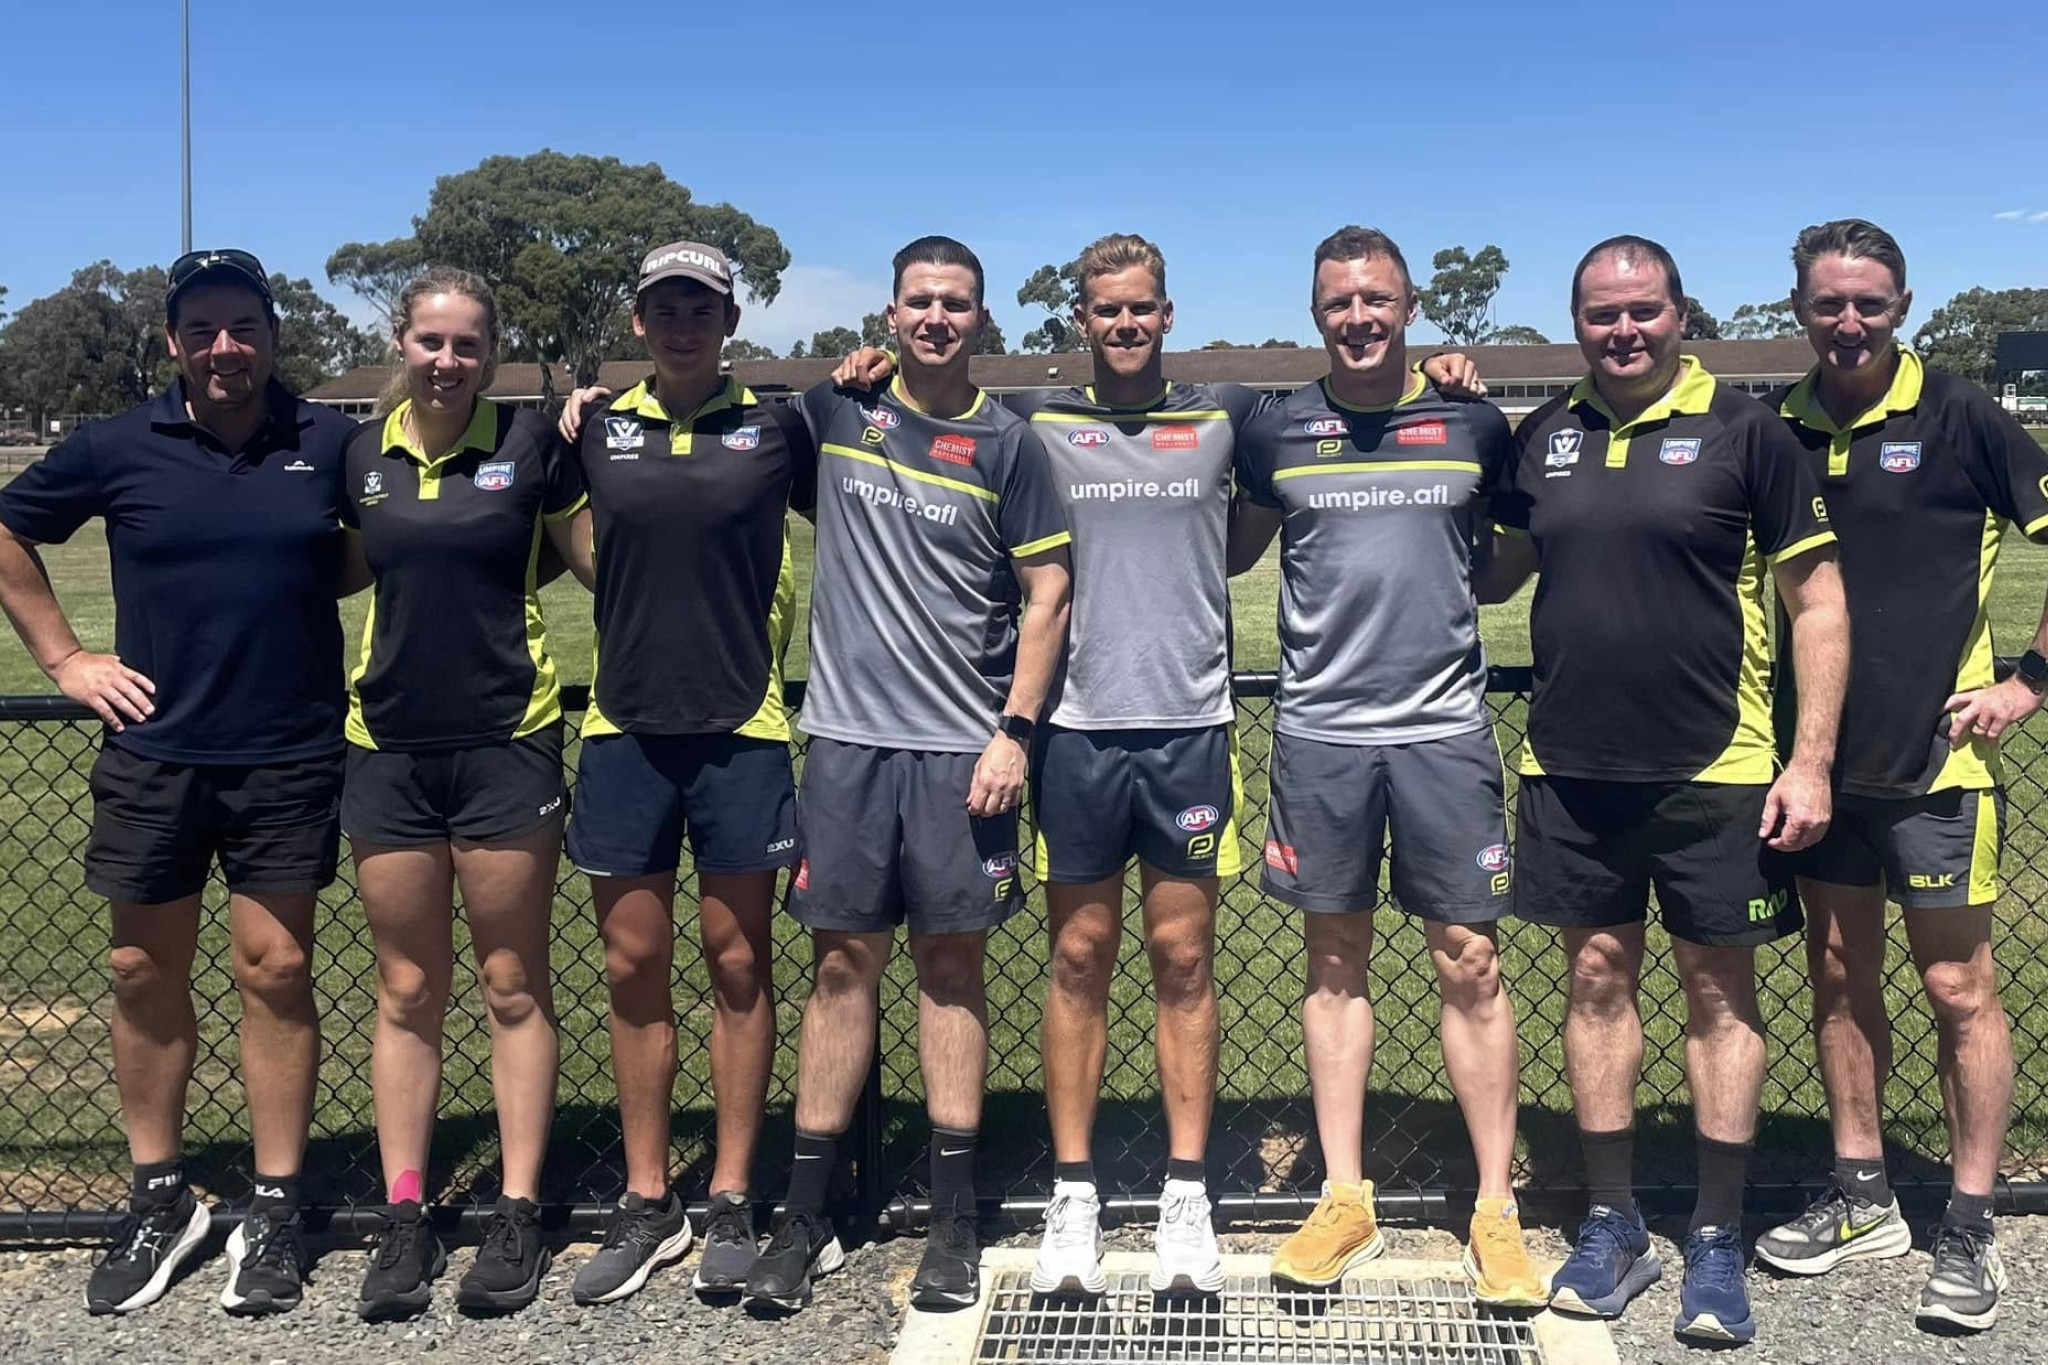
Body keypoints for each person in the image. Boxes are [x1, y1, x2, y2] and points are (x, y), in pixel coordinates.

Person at [828, 235, 1476, 1297]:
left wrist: (1444, 368)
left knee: (1182, 961)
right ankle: (1074, 1191)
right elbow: (932, 411)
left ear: (1165, 315)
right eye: (1104, 312)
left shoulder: (1229, 414)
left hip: (1186, 730)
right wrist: (866, 367)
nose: (1123, 326)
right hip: (1073, 733)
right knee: (1077, 958)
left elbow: (1343, 416)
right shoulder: (1034, 423)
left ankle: (1185, 1189)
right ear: (1078, 322)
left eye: (1140, 311)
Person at [1478, 236, 1849, 1345]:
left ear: (1679, 314)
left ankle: (1718, 1236)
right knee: (1593, 985)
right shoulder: (1540, 435)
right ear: (1575, 323)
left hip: (1717, 770)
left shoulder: (1750, 432)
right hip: (1569, 768)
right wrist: (1443, 432)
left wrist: (1809, 759)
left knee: (1717, 998)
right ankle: (1612, 1222)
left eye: (1641, 310)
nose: (1622, 330)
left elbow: (1817, 606)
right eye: (1600, 314)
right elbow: (1492, 566)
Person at [0, 249, 356, 1315]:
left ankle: (277, 1199)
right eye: (201, 329)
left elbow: (388, 534)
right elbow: (7, 528)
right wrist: (65, 659)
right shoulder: (115, 445)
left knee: (276, 969)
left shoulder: (331, 441)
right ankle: (161, 1194)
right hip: (155, 752)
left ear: (273, 335)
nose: (224, 348)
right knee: (138, 971)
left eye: (242, 326)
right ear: (172, 342)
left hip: (289, 751)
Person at [741, 235, 1073, 1314]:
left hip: (958, 753)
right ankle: (801, 1221)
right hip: (841, 743)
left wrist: (1014, 732)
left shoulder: (1011, 447)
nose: (936, 318)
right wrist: (571, 416)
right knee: (840, 972)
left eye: (956, 304)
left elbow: (1048, 595)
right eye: (919, 302)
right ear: (888, 314)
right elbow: (724, 443)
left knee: (948, 972)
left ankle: (951, 1223)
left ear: (981, 319)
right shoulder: (835, 414)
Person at [1226, 226, 1545, 1307]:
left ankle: (1494, 1207)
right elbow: (1230, 547)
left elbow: (1503, 565)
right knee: (1334, 960)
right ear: (1314, 312)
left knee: (1468, 961)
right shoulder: (1274, 428)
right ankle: (1343, 1195)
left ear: (1408, 307)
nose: (1356, 318)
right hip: (1319, 731)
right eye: (1337, 303)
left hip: (1442, 730)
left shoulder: (1470, 419)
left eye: (1375, 300)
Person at [1751, 219, 2048, 1333]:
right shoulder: (1770, 423)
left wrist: (2027, 683)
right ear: (1798, 309)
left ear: (1903, 304)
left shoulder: (1961, 411)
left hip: (1938, 765)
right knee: (1835, 974)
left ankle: (1970, 1221)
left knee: (1956, 989)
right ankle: (1861, 1193)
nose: (1846, 322)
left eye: (1866, 303)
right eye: (1826, 303)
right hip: (1815, 766)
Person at [551, 241, 818, 1304]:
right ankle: (648, 1197)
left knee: (738, 964)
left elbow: (862, 499)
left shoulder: (775, 426)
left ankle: (734, 1196)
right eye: (663, 304)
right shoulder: (594, 427)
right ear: (638, 319)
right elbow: (543, 514)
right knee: (631, 967)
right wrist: (600, 575)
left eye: (699, 305)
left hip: (742, 728)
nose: (681, 322)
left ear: (729, 318)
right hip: (623, 729)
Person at [339, 268, 594, 1317]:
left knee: (508, 982)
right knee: (405, 989)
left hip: (506, 743)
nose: (447, 360)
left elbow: (599, 561)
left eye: (467, 344)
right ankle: (405, 1214)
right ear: (400, 341)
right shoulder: (357, 454)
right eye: (430, 341)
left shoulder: (534, 444)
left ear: (492, 352)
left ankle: (518, 1208)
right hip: (388, 747)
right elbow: (338, 572)